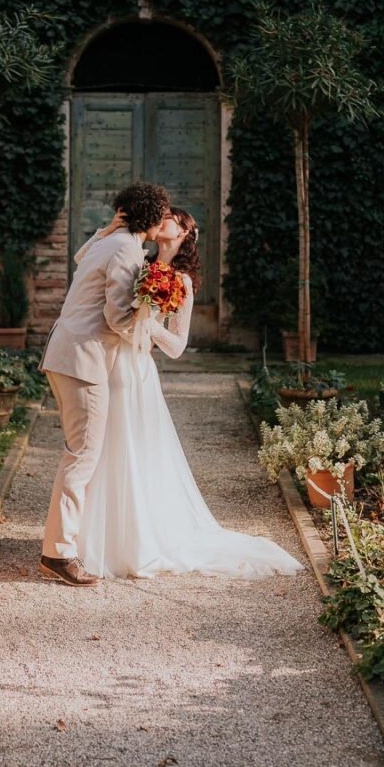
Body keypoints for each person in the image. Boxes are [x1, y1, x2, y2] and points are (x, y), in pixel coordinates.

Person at [74, 206, 304, 580]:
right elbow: (83, 261)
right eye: (162, 216)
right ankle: (96, 537)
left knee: (133, 449)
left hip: (137, 369)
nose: (162, 220)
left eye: (172, 219)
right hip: (110, 361)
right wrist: (106, 230)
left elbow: (177, 345)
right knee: (105, 446)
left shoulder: (181, 283)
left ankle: (135, 540)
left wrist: (146, 326)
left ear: (183, 234)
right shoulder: (134, 257)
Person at [38, 181, 171, 586]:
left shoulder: (108, 241)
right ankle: (58, 555)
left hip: (64, 354)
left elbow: (81, 258)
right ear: (149, 217)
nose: (165, 221)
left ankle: (61, 543)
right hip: (84, 359)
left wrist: (106, 228)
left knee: (78, 452)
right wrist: (147, 316)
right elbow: (116, 318)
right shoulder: (127, 250)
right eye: (162, 214)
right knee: (82, 455)